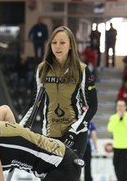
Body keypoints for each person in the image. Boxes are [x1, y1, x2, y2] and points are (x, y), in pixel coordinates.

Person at [24, 25, 98, 159]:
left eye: (62, 42)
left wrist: (73, 130)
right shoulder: (42, 70)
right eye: (54, 42)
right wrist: (20, 129)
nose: (57, 46)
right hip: (50, 133)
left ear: (70, 45)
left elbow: (92, 107)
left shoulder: (82, 70)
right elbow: (34, 103)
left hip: (75, 134)